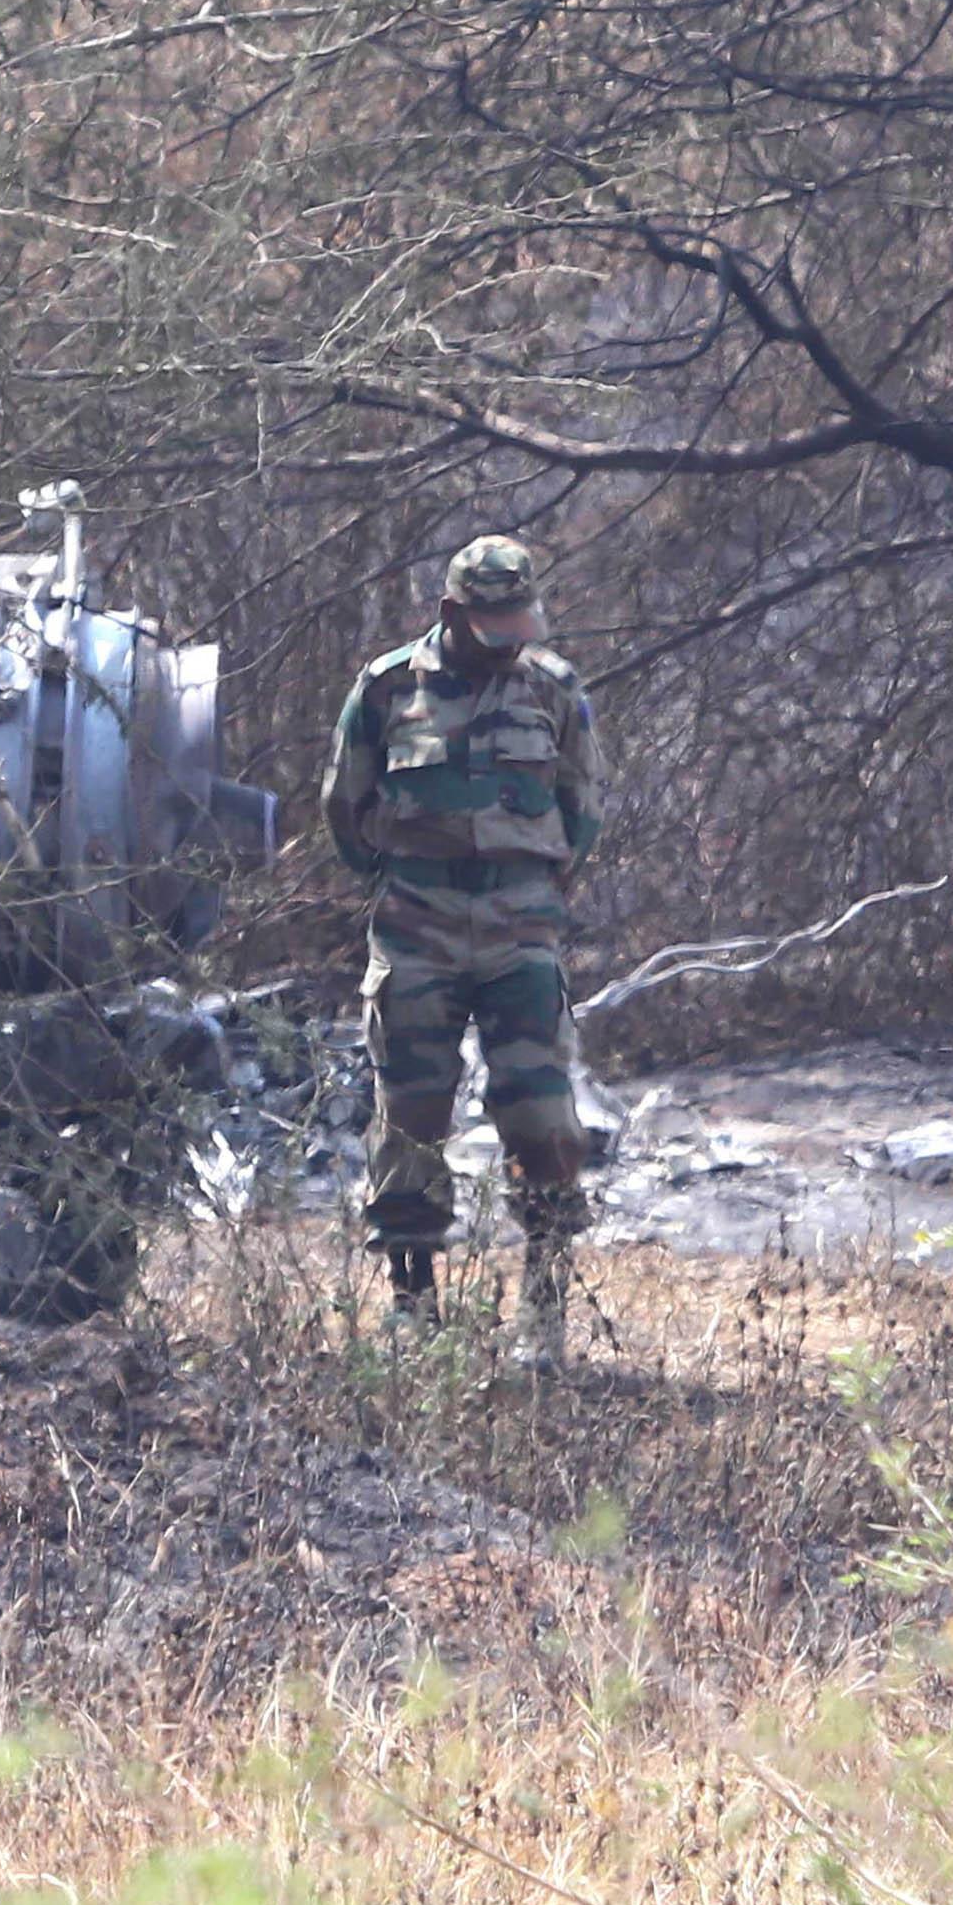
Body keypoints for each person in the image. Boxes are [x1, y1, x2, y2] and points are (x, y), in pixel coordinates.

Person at [325, 533, 598, 1358]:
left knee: (542, 1115)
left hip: (521, 933)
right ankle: (414, 1307)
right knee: (410, 1118)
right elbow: (345, 804)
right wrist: (404, 880)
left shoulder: (553, 689)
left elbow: (580, 810)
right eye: (495, 623)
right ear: (453, 614)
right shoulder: (385, 689)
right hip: (417, 928)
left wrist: (535, 893)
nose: (513, 636)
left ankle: (543, 1307)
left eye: (522, 618)